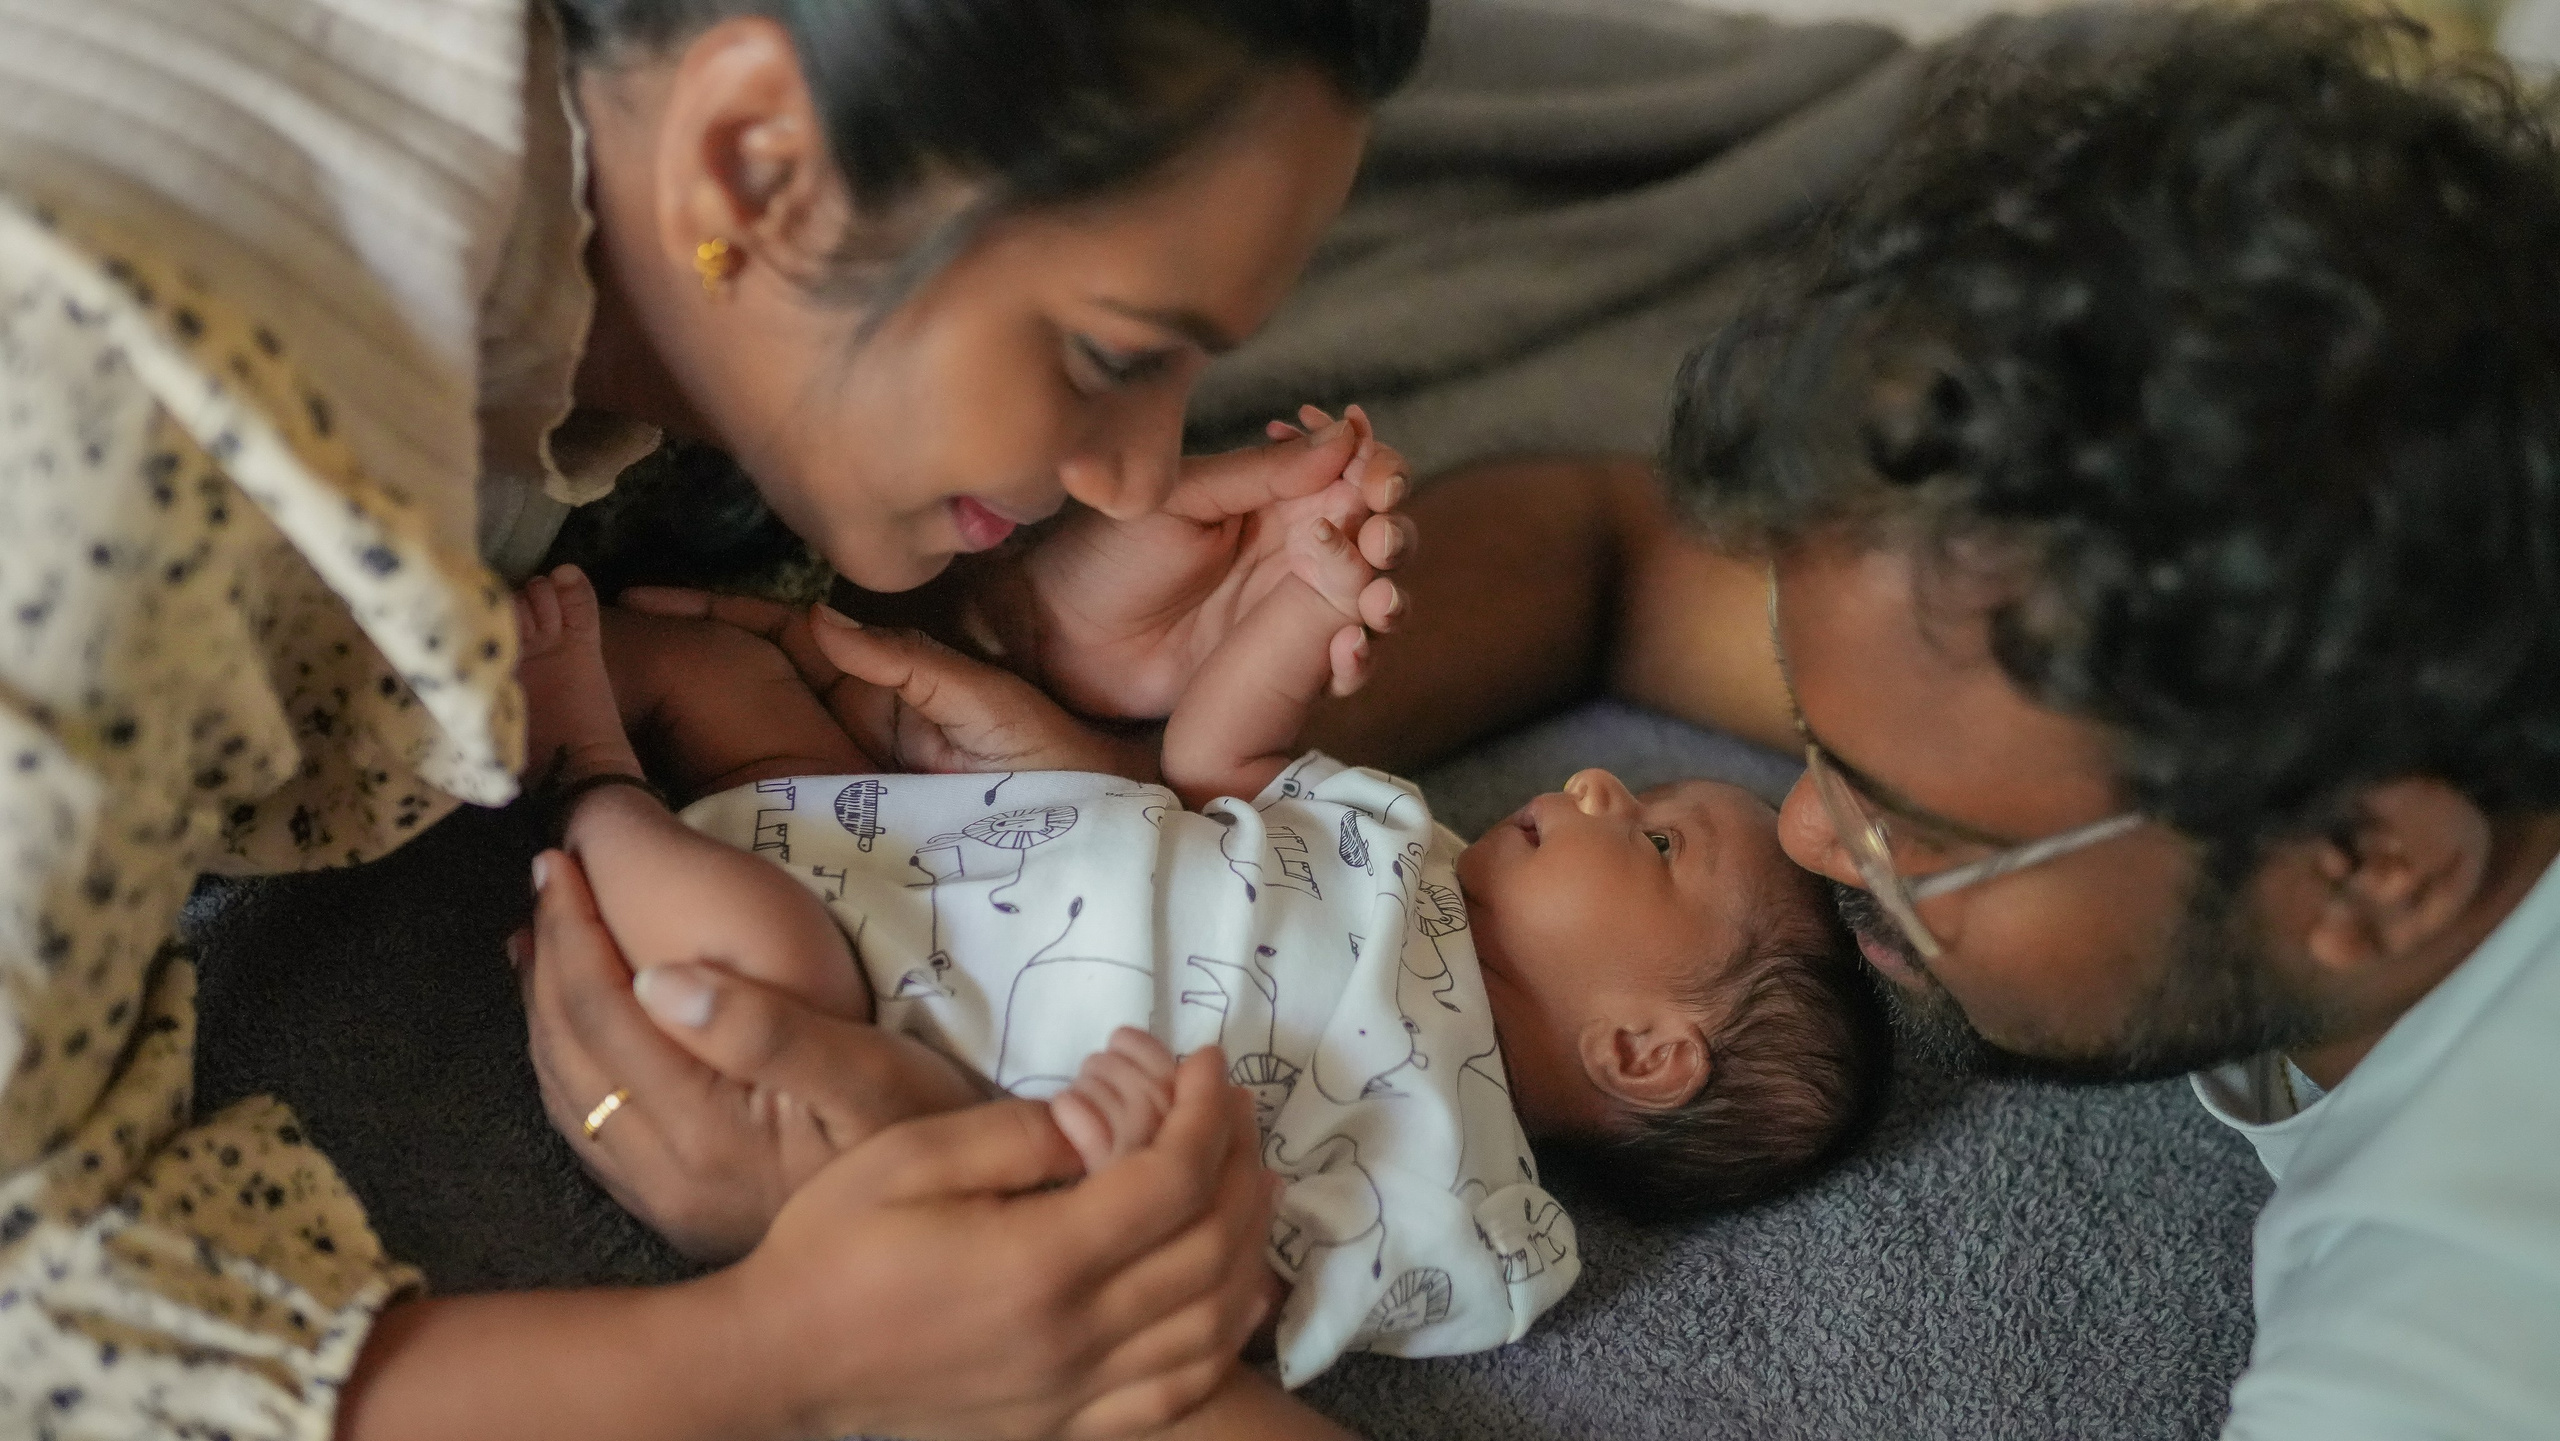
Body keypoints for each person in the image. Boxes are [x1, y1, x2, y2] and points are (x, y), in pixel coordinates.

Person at [0, 1, 1440, 1437]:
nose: (1140, 472)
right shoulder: (98, 440)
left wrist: (1008, 623)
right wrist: (779, 1348)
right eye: (1113, 353)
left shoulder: (625, 211)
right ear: (755, 164)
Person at [1636, 4, 2560, 1436]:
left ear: (2371, 864)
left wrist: (1164, 1375)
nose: (1807, 827)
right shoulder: (2381, 606)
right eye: (1815, 735)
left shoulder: (2472, 1324)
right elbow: (1606, 563)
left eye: (1918, 829)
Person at [503, 457, 1883, 1410]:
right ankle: (512, 656)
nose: (1598, 782)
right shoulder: (1402, 843)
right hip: (913, 831)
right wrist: (1303, 603)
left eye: (1652, 838)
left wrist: (1129, 1182)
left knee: (745, 951)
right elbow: (1213, 766)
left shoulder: (1462, 1202)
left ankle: (591, 778)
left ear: (1642, 1048)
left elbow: (1236, 1304)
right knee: (719, 672)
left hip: (882, 1014)